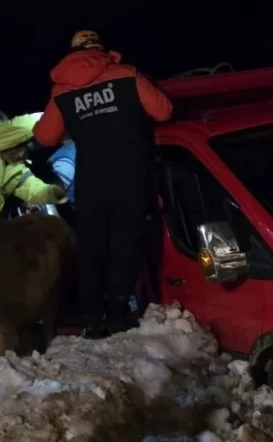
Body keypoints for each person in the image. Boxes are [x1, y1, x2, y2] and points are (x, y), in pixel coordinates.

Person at [34, 30, 172, 335]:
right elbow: (164, 110)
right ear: (101, 48)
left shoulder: (62, 91)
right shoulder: (126, 74)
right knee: (126, 244)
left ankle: (91, 318)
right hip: (130, 177)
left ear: (72, 53)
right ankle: (118, 313)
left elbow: (44, 136)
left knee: (92, 248)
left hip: (91, 182)